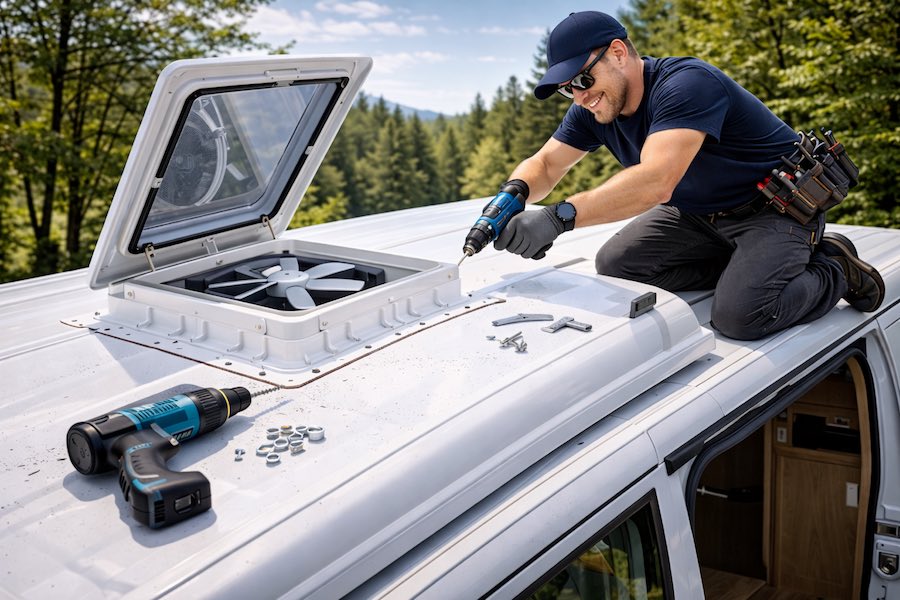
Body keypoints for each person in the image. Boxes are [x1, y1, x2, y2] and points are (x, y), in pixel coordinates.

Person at [492, 10, 884, 340]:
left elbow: (656, 181)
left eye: (582, 79)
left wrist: (557, 218)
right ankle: (741, 268)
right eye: (567, 90)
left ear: (617, 53)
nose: (579, 96)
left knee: (740, 317)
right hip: (697, 214)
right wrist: (514, 194)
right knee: (616, 266)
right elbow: (545, 164)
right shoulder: (595, 107)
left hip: (773, 210)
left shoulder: (686, 85)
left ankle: (833, 265)